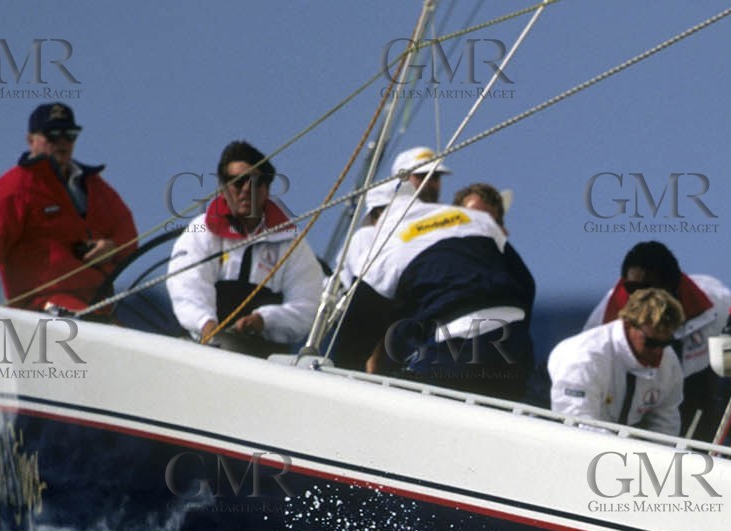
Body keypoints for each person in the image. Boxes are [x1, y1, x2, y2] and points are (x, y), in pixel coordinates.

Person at [340, 184, 536, 400]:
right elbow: (525, 281)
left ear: (377, 215)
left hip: (458, 345)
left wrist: (339, 376)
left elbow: (357, 329)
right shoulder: (474, 220)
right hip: (516, 341)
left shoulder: (389, 243)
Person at [0, 103, 137, 323]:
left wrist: (112, 249)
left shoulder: (95, 187)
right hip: (43, 310)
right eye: (53, 135)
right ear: (31, 140)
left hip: (100, 308)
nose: (63, 142)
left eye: (70, 135)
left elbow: (127, 234)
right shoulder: (12, 190)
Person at [166, 141, 324, 358]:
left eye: (255, 182)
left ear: (266, 189)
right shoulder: (201, 230)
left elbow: (307, 304)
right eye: (238, 182)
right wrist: (206, 324)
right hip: (200, 349)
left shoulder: (292, 243)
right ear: (223, 187)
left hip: (264, 359)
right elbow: (186, 285)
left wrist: (264, 320)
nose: (246, 190)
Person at [581, 241, 731, 441]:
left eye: (647, 288)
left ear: (673, 285)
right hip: (631, 397)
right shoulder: (602, 322)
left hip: (697, 385)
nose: (638, 297)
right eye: (632, 287)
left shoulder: (716, 306)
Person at [549, 287, 684, 434]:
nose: (658, 351)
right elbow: (575, 425)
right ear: (629, 324)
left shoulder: (668, 360)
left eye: (665, 344)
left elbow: (665, 423)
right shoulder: (585, 357)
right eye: (651, 343)